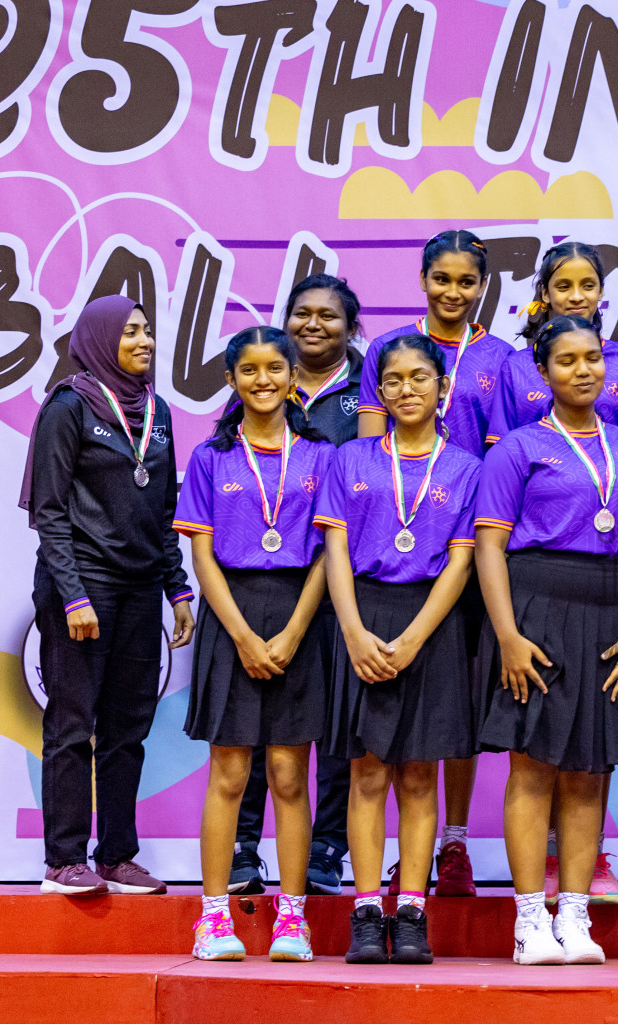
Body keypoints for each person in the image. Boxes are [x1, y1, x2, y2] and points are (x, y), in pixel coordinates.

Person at [475, 316, 618, 966]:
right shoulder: (517, 449)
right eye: (567, 360)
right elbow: (489, 549)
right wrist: (508, 636)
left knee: (589, 770)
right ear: (543, 372)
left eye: (592, 359)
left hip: (609, 611)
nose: (583, 370)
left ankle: (574, 915)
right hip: (537, 606)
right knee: (533, 766)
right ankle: (530, 919)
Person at [316, 335, 482, 965]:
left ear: (443, 388)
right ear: (377, 391)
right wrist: (354, 632)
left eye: (420, 378)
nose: (407, 389)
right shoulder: (351, 459)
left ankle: (411, 911)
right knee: (366, 772)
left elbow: (462, 561)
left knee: (418, 775)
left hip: (431, 626)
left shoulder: (467, 467)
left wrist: (414, 640)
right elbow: (334, 552)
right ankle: (365, 912)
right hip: (361, 614)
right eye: (393, 380)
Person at [23, 295, 195, 897]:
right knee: (73, 723)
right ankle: (62, 859)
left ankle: (117, 855)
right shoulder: (69, 406)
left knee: (128, 727)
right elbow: (49, 512)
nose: (145, 341)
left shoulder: (159, 411)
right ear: (99, 339)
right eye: (130, 332)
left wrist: (177, 587)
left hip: (142, 588)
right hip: (83, 588)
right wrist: (72, 596)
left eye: (147, 331)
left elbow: (164, 510)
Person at [359, 230, 512, 897]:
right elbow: (369, 453)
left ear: (482, 286)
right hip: (398, 547)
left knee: (457, 700)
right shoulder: (388, 353)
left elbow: (503, 459)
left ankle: (452, 843)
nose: (454, 291)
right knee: (391, 707)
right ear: (422, 279)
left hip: (469, 543)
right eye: (442, 278)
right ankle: (396, 856)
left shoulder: (501, 359)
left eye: (467, 281)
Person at [176, 327, 333, 961]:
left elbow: (330, 554)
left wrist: (294, 631)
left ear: (295, 378)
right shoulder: (210, 457)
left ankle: (291, 918)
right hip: (231, 616)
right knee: (231, 773)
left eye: (275, 369)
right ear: (231, 381)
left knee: (291, 774)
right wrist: (241, 634)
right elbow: (202, 555)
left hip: (301, 611)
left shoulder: (323, 456)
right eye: (249, 370)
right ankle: (214, 918)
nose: (263, 380)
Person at [231, 274, 363, 898]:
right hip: (269, 586)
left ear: (349, 326)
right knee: (262, 724)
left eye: (328, 316)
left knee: (332, 723)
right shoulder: (259, 382)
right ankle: (242, 847)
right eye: (302, 314)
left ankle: (326, 849)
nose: (314, 325)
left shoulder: (370, 387)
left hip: (345, 579)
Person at [485, 242, 618, 441]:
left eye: (588, 286)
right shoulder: (516, 366)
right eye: (564, 287)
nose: (577, 297)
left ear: (601, 291)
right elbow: (501, 448)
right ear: (545, 293)